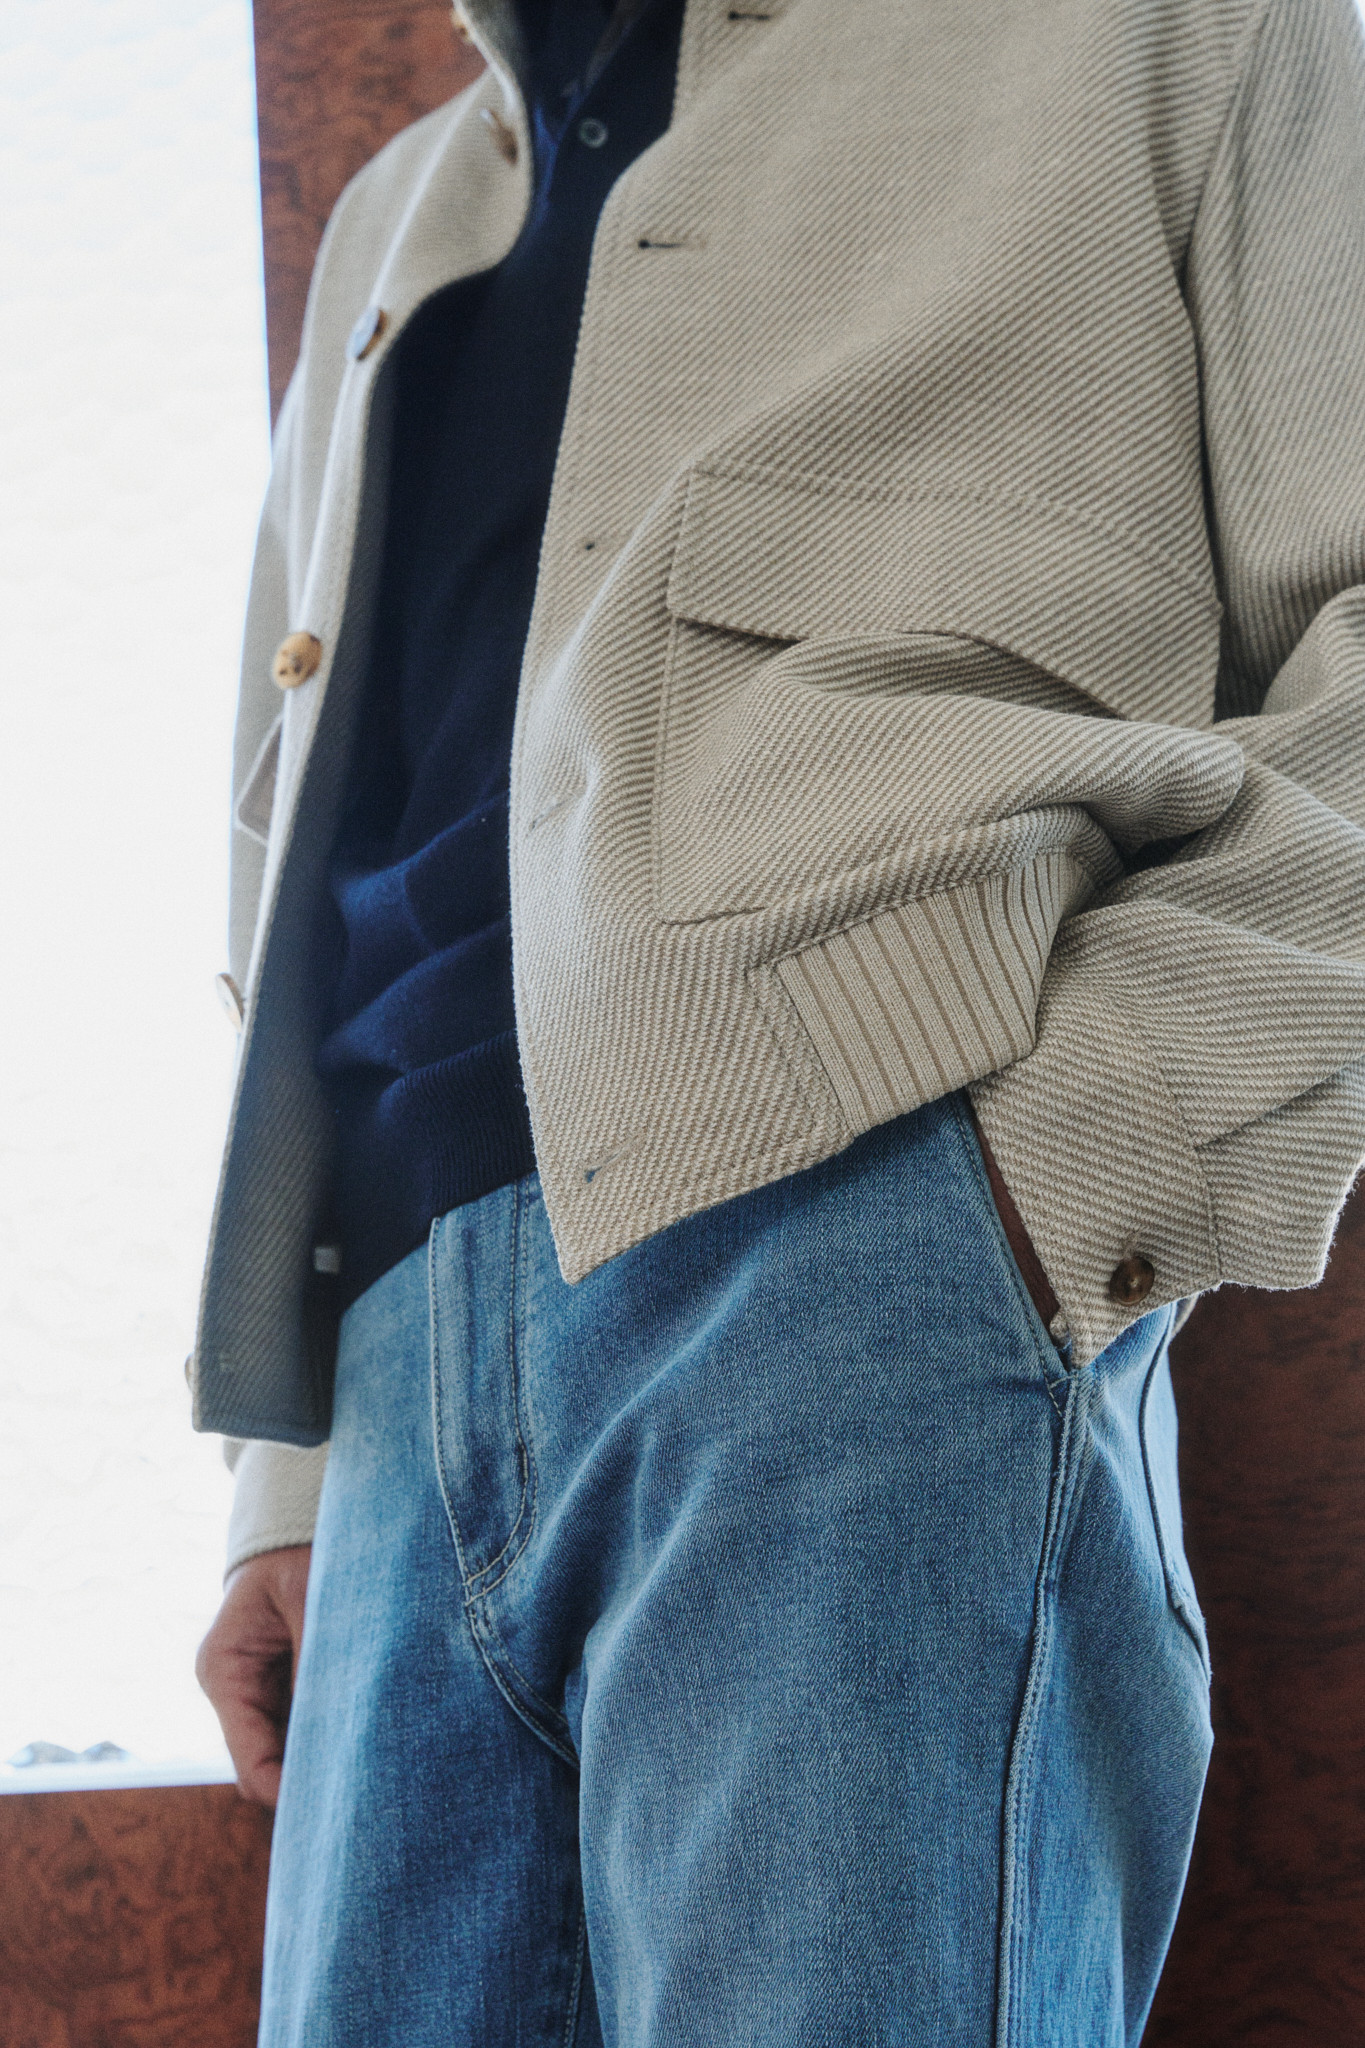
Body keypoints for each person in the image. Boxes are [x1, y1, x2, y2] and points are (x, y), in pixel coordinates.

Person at [192, 0, 1365, 2039]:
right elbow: (286, 830)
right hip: (387, 1385)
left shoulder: (1173, 24)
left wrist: (1063, 1166)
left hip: (858, 1249)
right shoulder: (398, 207)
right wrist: (283, 1482)